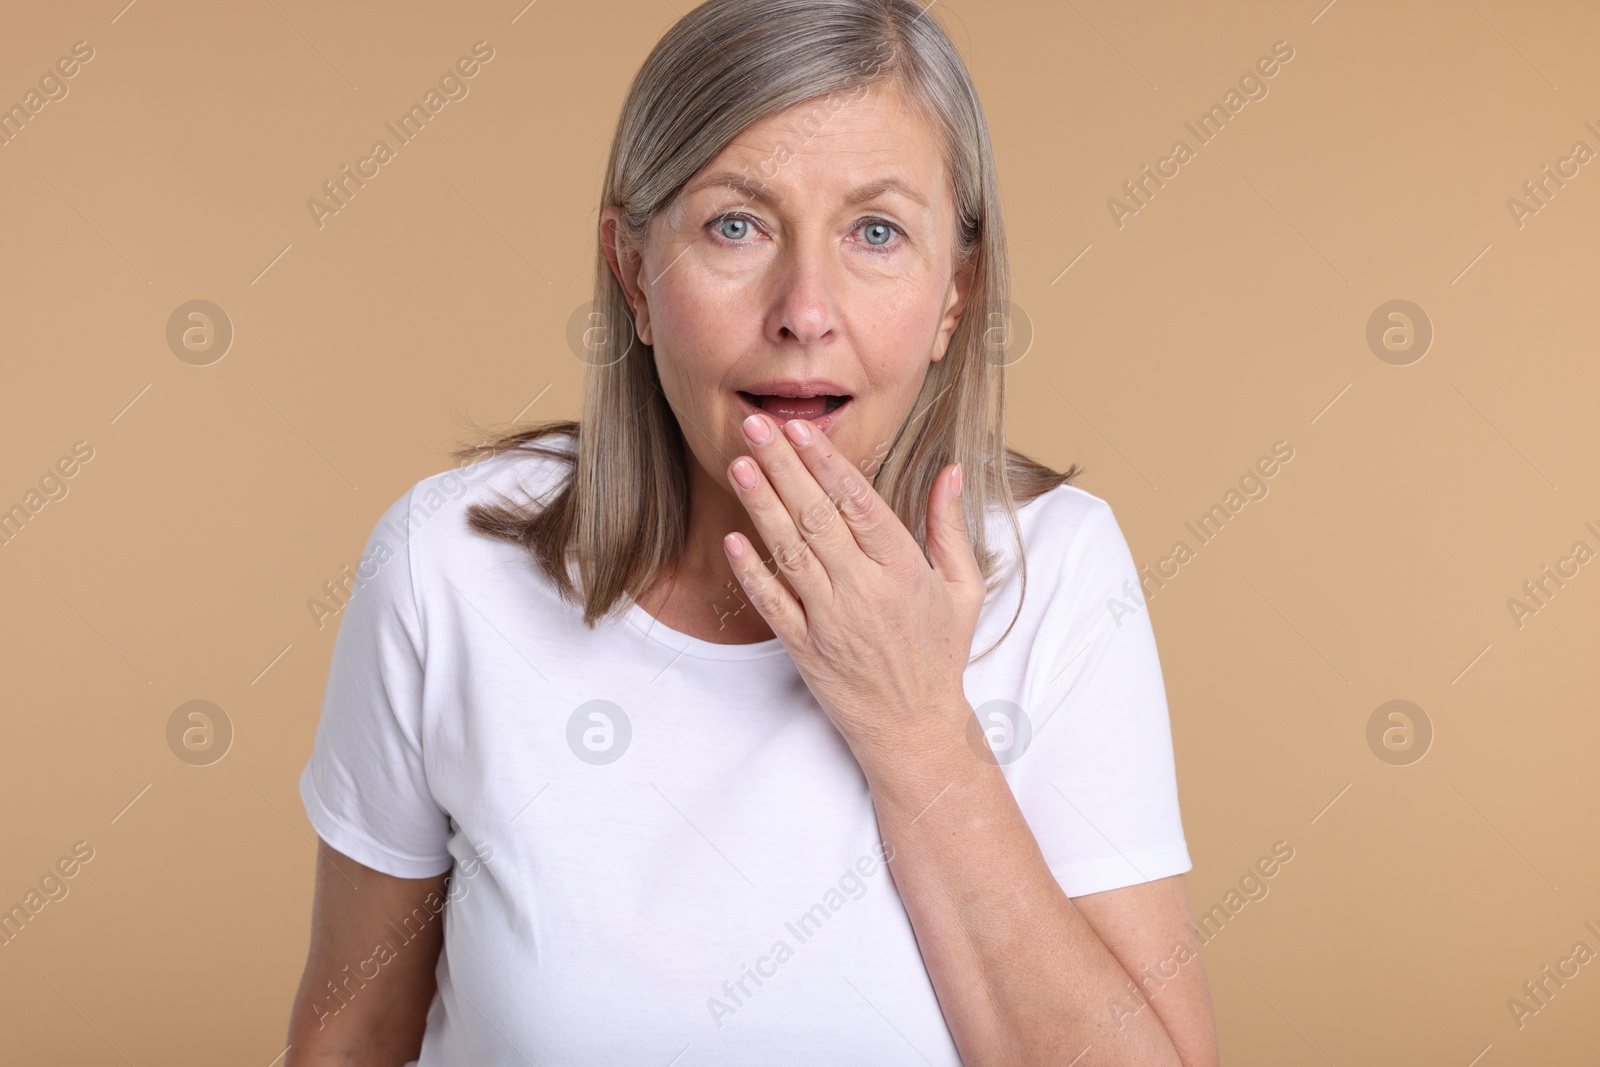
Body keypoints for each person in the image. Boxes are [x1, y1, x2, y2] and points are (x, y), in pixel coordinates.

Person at [286, 1, 1219, 1063]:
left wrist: (919, 731)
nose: (804, 310)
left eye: (876, 231)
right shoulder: (444, 564)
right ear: (633, 273)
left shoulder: (1056, 569)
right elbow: (351, 1033)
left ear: (954, 293)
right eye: (737, 224)